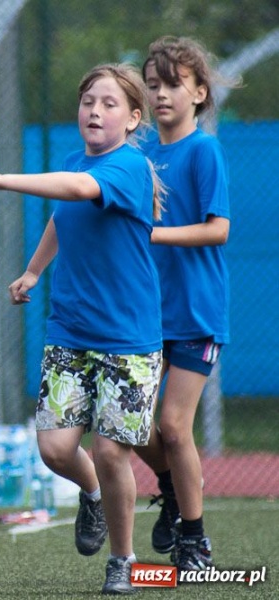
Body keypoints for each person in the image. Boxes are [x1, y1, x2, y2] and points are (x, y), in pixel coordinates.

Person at [0, 63, 164, 595]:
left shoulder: (127, 166)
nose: (95, 111)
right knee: (55, 450)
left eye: (108, 104)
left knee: (110, 451)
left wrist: (3, 180)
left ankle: (123, 559)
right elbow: (63, 215)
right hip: (69, 333)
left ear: (132, 118)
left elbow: (79, 189)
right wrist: (34, 269)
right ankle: (94, 496)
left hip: (128, 341)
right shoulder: (77, 162)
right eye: (87, 102)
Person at [137, 36, 236, 572]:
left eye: (173, 84)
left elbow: (218, 230)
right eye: (153, 85)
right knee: (130, 425)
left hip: (196, 312)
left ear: (199, 92)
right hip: (144, 314)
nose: (161, 95)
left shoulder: (204, 150)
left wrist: (154, 234)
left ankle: (194, 542)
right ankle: (174, 490)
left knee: (174, 427)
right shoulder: (140, 154)